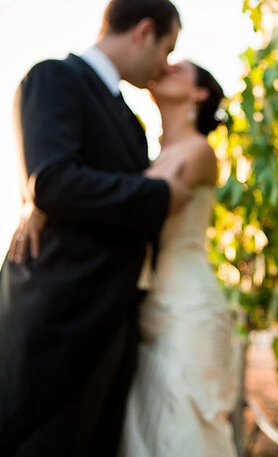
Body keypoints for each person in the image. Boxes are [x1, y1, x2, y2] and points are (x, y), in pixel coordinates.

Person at [9, 62, 241, 457]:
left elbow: (139, 194)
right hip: (143, 307)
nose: (164, 66)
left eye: (177, 65)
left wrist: (48, 201)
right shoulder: (147, 153)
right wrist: (53, 194)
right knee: (146, 434)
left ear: (198, 93)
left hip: (188, 308)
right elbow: (118, 193)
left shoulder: (198, 151)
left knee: (186, 430)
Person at [0, 1, 188, 456]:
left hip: (107, 323)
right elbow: (51, 180)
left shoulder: (128, 118)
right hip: (56, 324)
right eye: (167, 48)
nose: (164, 65)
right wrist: (163, 197)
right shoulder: (54, 77)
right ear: (144, 31)